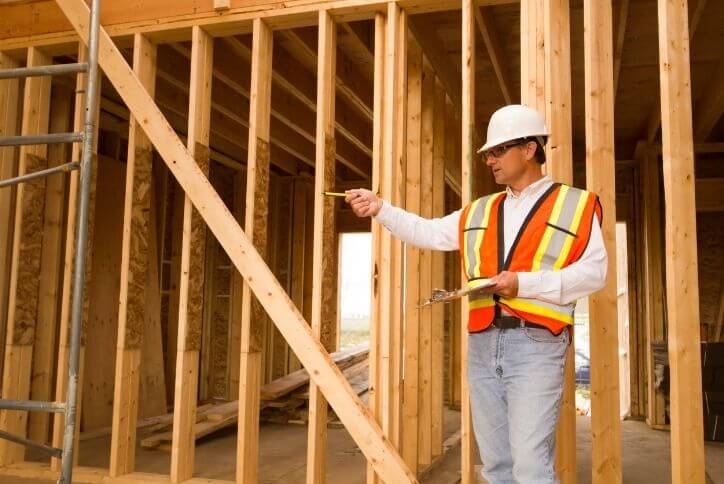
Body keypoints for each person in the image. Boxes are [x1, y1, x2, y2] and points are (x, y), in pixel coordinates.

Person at [345, 104, 607, 483]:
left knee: (532, 466)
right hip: (483, 344)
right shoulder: (481, 210)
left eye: (498, 151)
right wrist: (380, 208)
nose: (490, 160)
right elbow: (429, 232)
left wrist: (523, 283)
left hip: (536, 344)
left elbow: (595, 273)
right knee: (497, 466)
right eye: (487, 154)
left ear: (530, 149)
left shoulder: (576, 204)